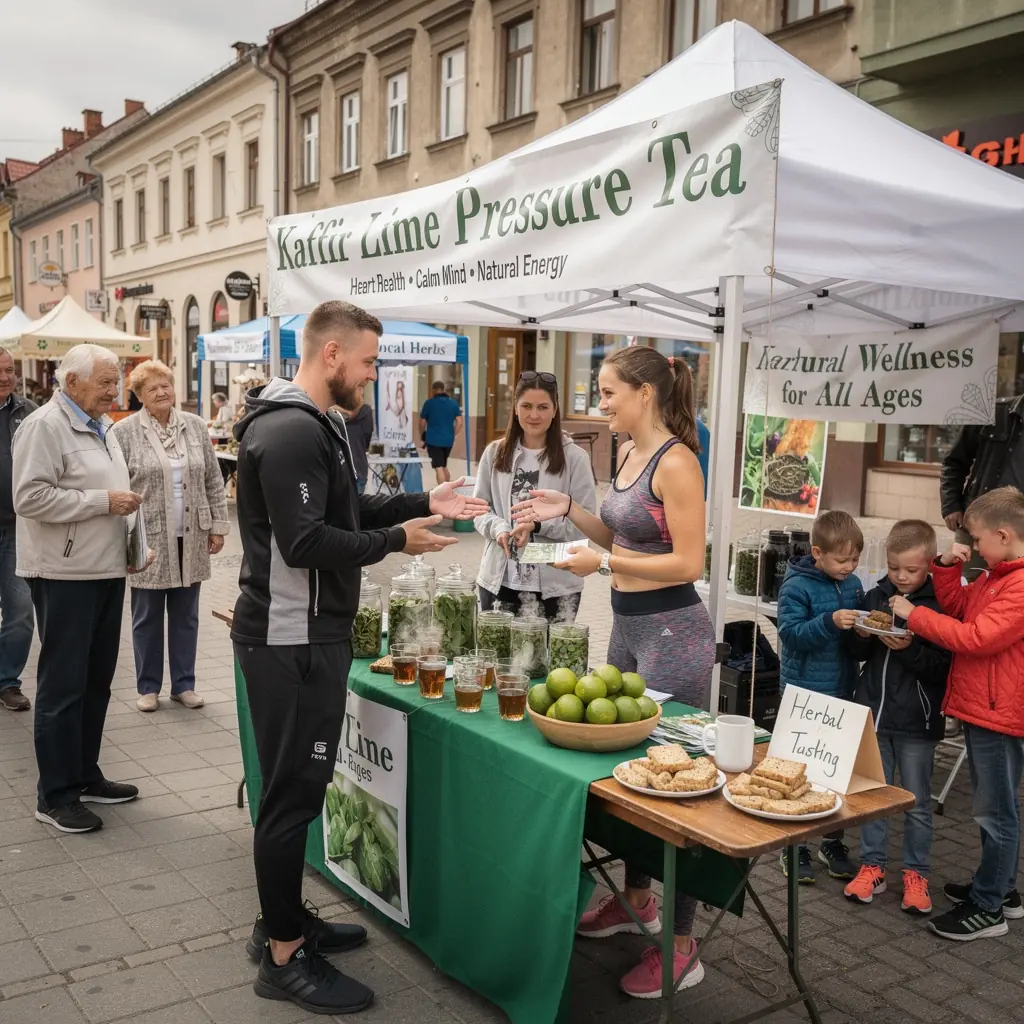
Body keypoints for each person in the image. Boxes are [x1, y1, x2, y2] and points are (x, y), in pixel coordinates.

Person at [231, 300, 489, 1014]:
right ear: (333, 355)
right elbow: (305, 544)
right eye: (371, 362)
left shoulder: (318, 426)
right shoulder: (288, 431)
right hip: (290, 640)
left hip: (308, 635)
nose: (374, 377)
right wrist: (399, 542)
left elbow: (346, 513)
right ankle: (283, 958)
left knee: (295, 796)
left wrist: (422, 501)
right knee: (290, 801)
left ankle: (280, 924)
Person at [512, 348, 713, 1000]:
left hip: (674, 636)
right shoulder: (626, 454)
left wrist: (602, 568)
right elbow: (618, 538)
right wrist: (567, 509)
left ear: (644, 395)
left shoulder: (678, 461)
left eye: (607, 392)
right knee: (626, 774)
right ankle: (636, 903)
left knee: (672, 789)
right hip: (629, 628)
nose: (600, 404)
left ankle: (682, 947)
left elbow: (686, 562)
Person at [13, 344, 152, 834]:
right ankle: (54, 795)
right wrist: (101, 501)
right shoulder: (44, 426)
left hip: (105, 569)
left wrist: (136, 545)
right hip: (63, 573)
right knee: (62, 686)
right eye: (106, 383)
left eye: (115, 382)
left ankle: (84, 775)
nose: (114, 391)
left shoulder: (102, 426)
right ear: (71, 382)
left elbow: (119, 495)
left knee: (96, 681)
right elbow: (28, 497)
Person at [892, 487, 1024, 941]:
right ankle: (1001, 888)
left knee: (995, 811)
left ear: (1003, 536)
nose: (975, 547)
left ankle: (988, 908)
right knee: (996, 807)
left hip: (999, 715)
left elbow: (973, 637)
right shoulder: (995, 575)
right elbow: (958, 608)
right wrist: (947, 571)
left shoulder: (1019, 585)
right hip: (985, 708)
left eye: (980, 538)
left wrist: (913, 615)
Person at [843, 520, 952, 915]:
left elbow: (942, 668)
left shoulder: (939, 606)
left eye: (911, 570)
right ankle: (873, 866)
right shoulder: (876, 595)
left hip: (917, 722)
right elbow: (857, 655)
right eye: (893, 568)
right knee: (874, 795)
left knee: (917, 801)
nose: (901, 577)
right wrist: (860, 634)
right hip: (875, 714)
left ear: (929, 565)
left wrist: (908, 648)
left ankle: (916, 873)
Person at [113, 360, 229, 713]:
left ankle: (184, 684)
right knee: (146, 615)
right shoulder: (125, 432)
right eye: (153, 388)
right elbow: (117, 485)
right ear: (139, 396)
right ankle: (148, 687)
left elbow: (212, 477)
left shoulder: (194, 426)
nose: (162, 392)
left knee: (186, 615)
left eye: (166, 385)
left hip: (191, 533)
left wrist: (219, 526)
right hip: (147, 536)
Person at [776, 510, 864, 883]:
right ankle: (794, 847)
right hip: (804, 696)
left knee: (835, 773)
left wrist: (863, 634)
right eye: (842, 560)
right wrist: (829, 622)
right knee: (799, 773)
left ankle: (832, 840)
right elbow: (791, 635)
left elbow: (855, 647)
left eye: (855, 559)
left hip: (842, 692)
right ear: (817, 552)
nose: (849, 567)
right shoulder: (796, 587)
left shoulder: (855, 584)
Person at [474, 371, 596, 619]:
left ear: (555, 410)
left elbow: (586, 524)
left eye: (543, 407)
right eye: (526, 406)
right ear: (515, 409)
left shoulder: (575, 458)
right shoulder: (494, 453)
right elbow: (479, 509)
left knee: (550, 657)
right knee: (498, 657)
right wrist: (498, 528)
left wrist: (538, 526)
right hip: (499, 580)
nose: (534, 415)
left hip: (556, 587)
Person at [940, 396, 1023, 581]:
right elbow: (954, 461)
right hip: (976, 526)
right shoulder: (992, 411)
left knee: (1013, 593)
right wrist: (951, 504)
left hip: (1019, 531)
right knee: (965, 584)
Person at [0, 348, 37, 712]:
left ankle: (8, 681)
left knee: (20, 610)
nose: (5, 377)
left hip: (16, 527)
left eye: (9, 370)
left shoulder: (28, 413)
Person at [419, 380, 463, 485]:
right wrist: (453, 433)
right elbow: (460, 422)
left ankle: (443, 492)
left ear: (433, 390)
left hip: (434, 440)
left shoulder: (429, 403)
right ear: (443, 390)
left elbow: (422, 422)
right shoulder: (453, 403)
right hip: (448, 441)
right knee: (443, 465)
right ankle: (449, 488)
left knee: (439, 468)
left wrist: (422, 435)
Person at [339, 398, 373, 494]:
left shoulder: (331, 412)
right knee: (357, 506)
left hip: (339, 470)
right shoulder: (366, 411)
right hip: (359, 466)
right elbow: (367, 436)